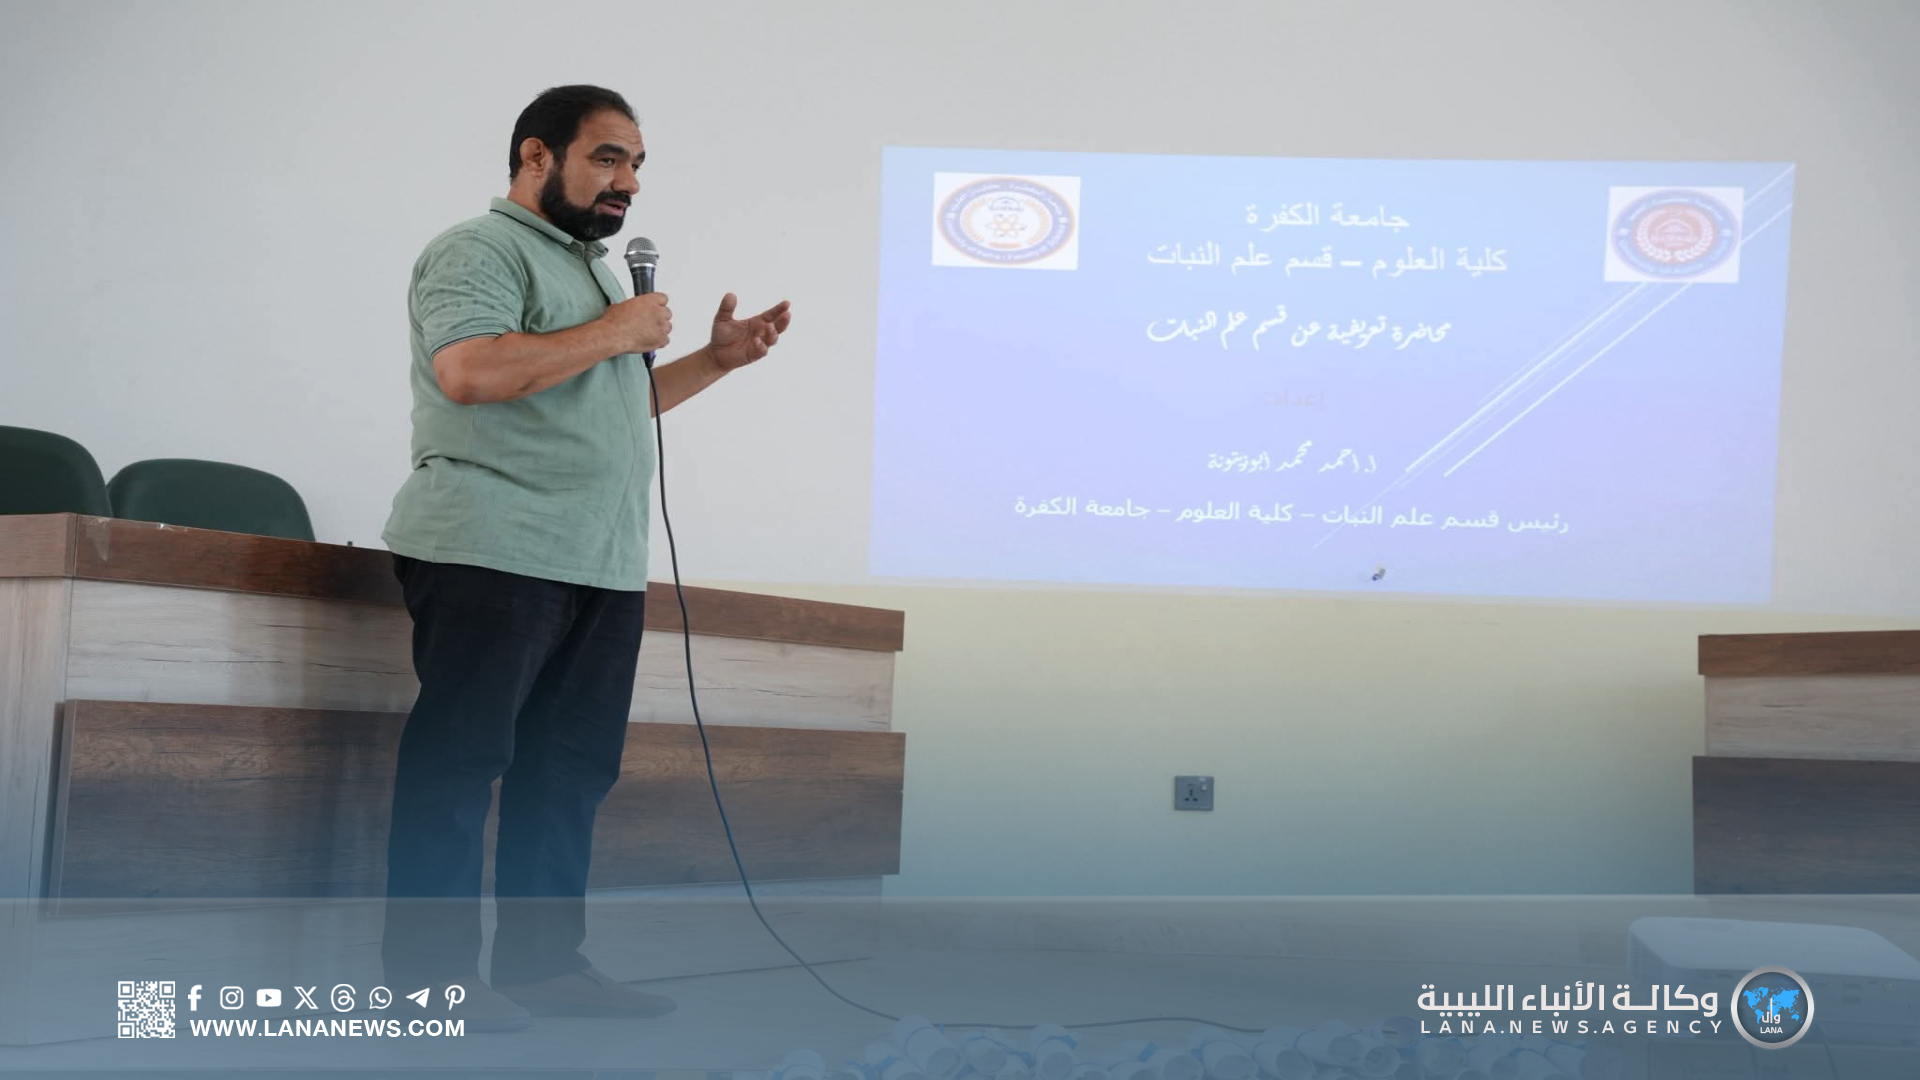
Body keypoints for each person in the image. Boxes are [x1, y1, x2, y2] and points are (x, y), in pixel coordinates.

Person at [378, 84, 792, 1032]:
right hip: (493, 548)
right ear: (536, 156)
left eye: (636, 164)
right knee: (459, 766)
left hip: (598, 561)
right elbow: (470, 371)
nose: (628, 182)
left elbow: (607, 403)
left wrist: (714, 362)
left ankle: (542, 968)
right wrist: (620, 330)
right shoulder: (479, 249)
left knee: (567, 774)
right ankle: (429, 987)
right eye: (608, 157)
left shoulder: (598, 277)